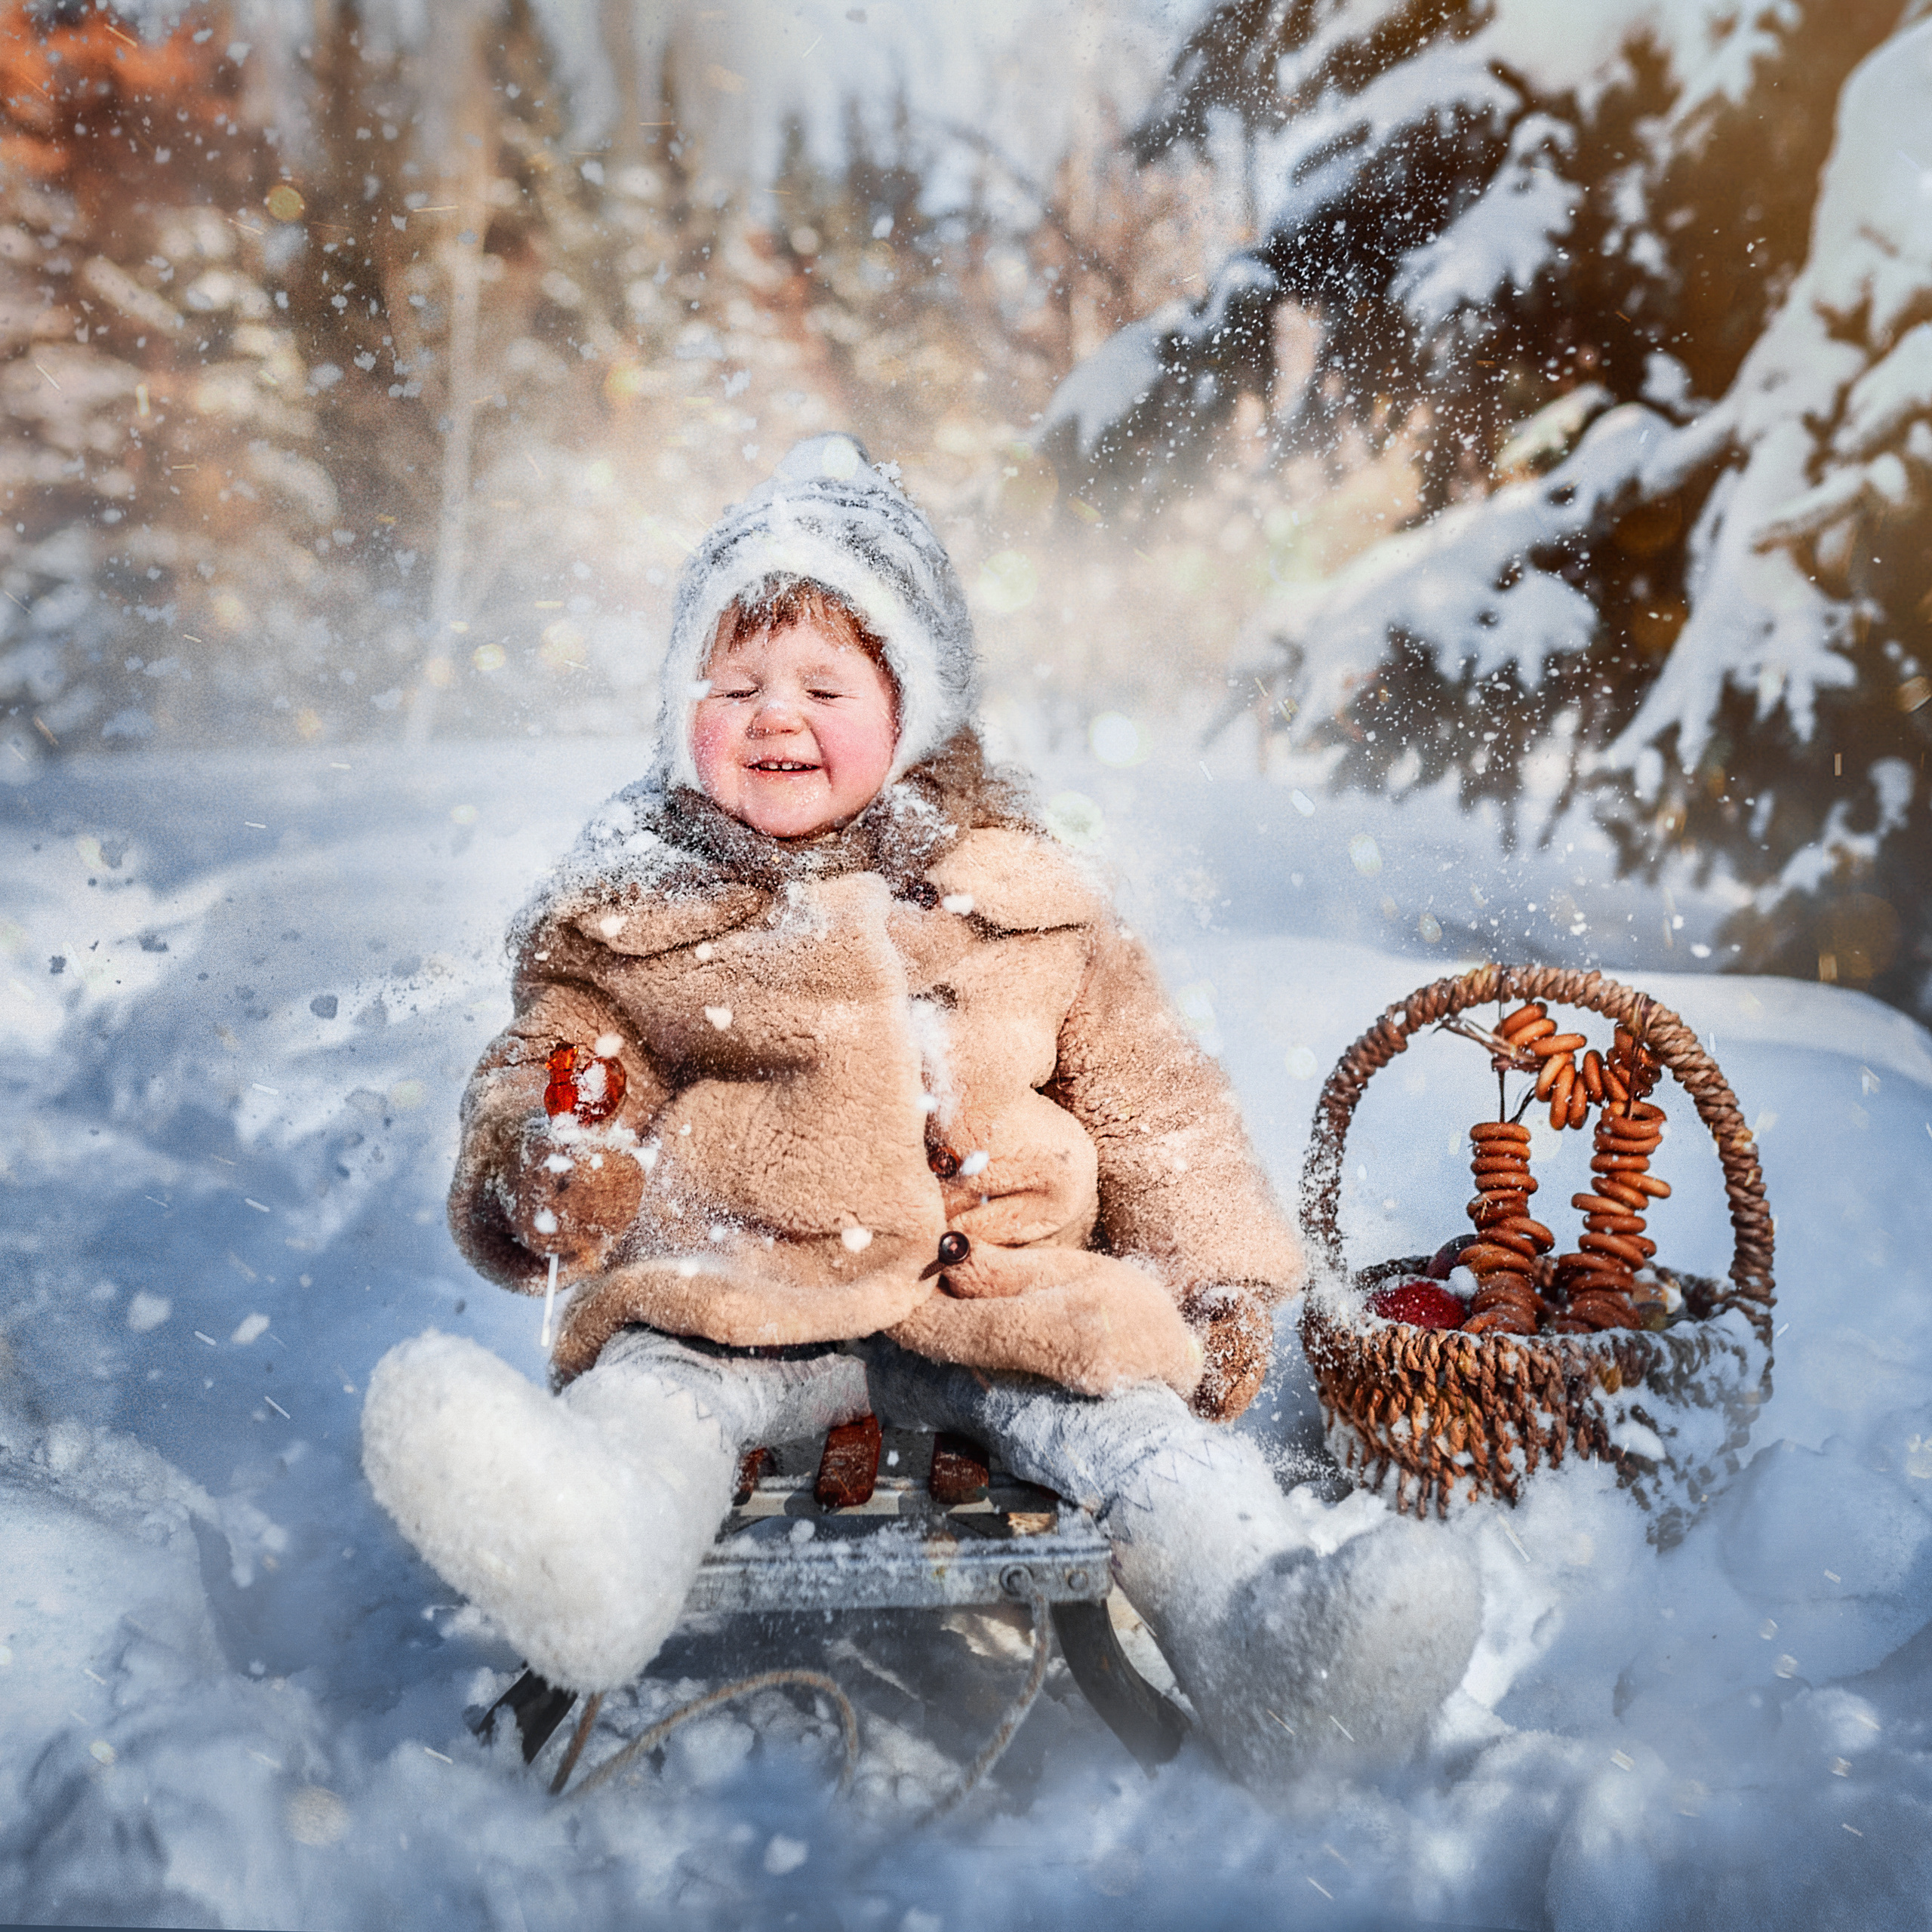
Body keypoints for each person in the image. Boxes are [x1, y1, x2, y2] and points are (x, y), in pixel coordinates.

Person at [361, 434, 1478, 1788]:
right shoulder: (638, 915)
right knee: (658, 1395)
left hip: (998, 1297)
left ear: (916, 708)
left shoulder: (1022, 896)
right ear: (680, 712)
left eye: (825, 684)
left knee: (1142, 1432)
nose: (777, 717)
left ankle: (1267, 1646)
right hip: (741, 1291)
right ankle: (593, 1551)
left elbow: (1157, 1107)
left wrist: (1221, 1279)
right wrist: (540, 1163)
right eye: (737, 685)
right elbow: (551, 1059)